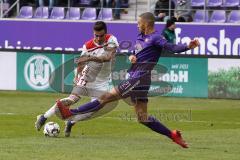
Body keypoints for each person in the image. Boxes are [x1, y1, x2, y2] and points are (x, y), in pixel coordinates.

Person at [56, 12, 199, 148]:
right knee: (142, 118)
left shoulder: (156, 37)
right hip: (139, 79)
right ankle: (173, 135)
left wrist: (187, 46)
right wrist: (132, 57)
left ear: (146, 23)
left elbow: (172, 47)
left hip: (140, 78)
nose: (137, 25)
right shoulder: (140, 37)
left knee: (105, 97)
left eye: (139, 23)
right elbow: (136, 53)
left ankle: (70, 113)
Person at [35, 21, 119, 137]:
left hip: (103, 80)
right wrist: (77, 76)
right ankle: (44, 117)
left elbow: (108, 57)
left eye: (101, 36)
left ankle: (71, 121)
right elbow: (80, 62)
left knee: (95, 109)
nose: (99, 38)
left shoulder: (111, 40)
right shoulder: (88, 46)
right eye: (96, 35)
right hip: (88, 75)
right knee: (72, 99)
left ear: (106, 33)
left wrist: (92, 57)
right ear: (93, 33)